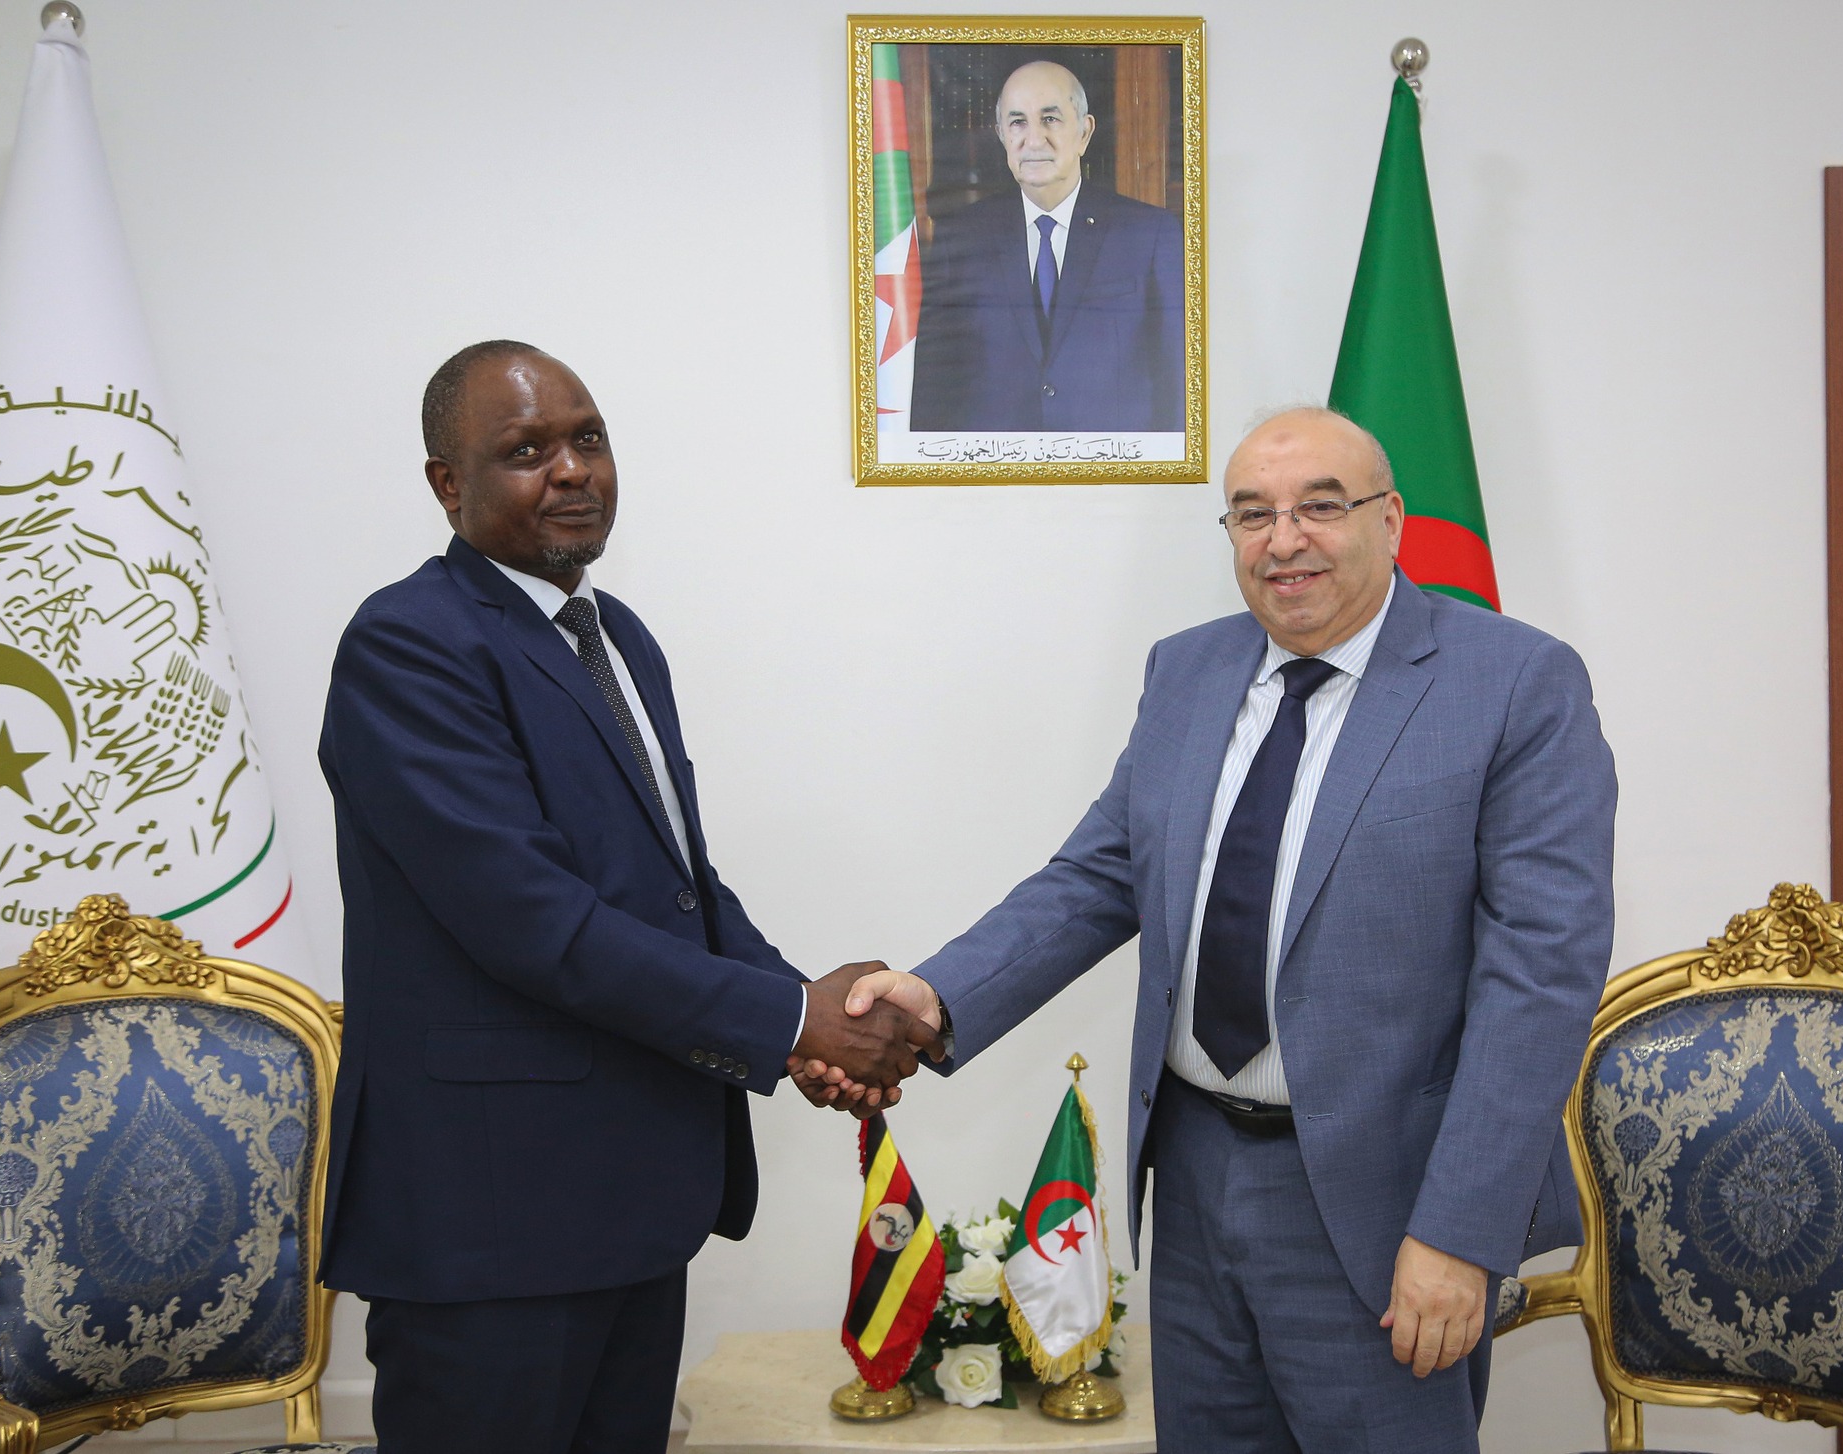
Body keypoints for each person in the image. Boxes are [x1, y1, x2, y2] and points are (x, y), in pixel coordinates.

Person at [808, 408, 1616, 1451]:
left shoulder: (1513, 682)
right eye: (1252, 513)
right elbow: (1101, 874)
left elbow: (1538, 979)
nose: (1284, 540)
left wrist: (1459, 1230)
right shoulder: (1186, 669)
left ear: (1390, 520)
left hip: (1383, 1203)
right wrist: (934, 994)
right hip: (1192, 1174)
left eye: (1320, 506)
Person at [317, 341, 935, 1453]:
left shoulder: (616, 637)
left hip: (632, 1199)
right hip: (492, 1219)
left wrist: (801, 1011)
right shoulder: (410, 643)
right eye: (525, 451)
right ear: (447, 485)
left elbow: (677, 885)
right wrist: (791, 1020)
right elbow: (533, 922)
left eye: (588, 439)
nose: (570, 470)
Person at [907, 59, 1185, 433]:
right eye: (1018, 122)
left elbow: (1177, 381)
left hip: (1112, 464)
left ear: (1084, 132)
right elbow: (934, 386)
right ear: (1001, 135)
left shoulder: (1148, 234)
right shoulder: (961, 237)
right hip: (995, 464)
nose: (1034, 140)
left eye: (1050, 119)